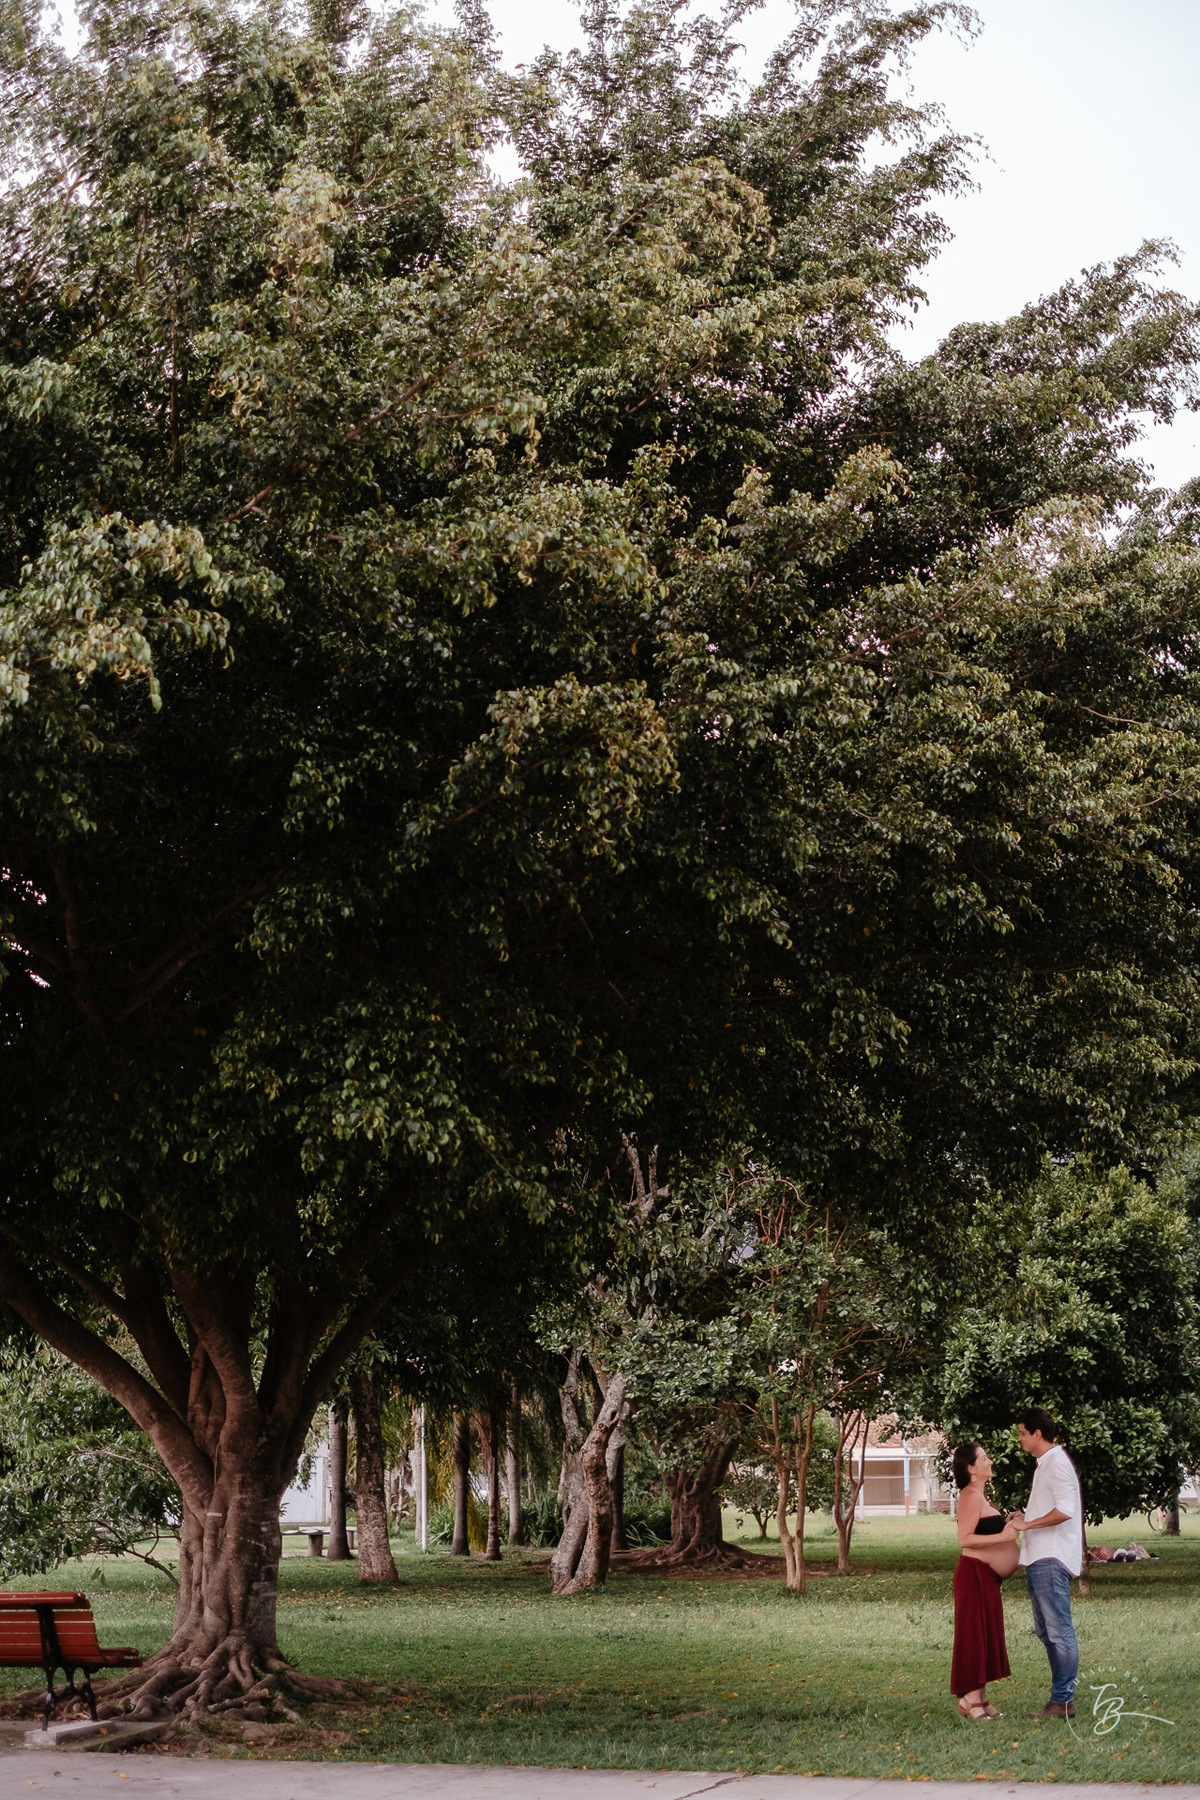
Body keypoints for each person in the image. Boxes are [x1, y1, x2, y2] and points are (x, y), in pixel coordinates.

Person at [1008, 1408, 1082, 1720]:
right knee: (1046, 1631)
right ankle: (1060, 1699)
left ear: (1038, 1433)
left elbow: (1065, 1509)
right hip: (1040, 1558)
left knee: (1058, 1631)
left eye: (1023, 1433)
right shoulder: (1046, 1464)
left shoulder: (1056, 1463)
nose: (1020, 1439)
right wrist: (1025, 1519)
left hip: (1051, 1557)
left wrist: (1028, 1525)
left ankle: (1063, 1700)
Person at [950, 1441, 1021, 1720]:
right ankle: (969, 1699)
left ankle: (978, 1697)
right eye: (984, 1458)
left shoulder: (980, 1496)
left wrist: (1008, 1521)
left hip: (986, 1576)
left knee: (985, 1636)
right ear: (971, 1468)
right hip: (973, 1574)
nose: (990, 1461)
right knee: (973, 1637)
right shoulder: (969, 1495)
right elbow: (964, 1539)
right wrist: (1003, 1537)